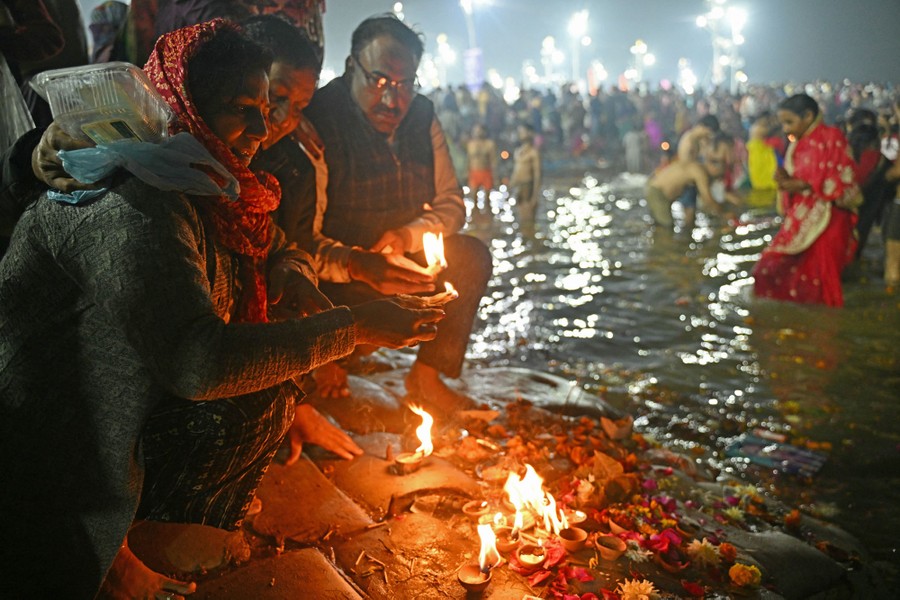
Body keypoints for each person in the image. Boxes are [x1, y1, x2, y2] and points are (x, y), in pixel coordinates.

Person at [0, 19, 443, 599]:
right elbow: (197, 363)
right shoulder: (135, 199)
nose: (265, 128)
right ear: (182, 103)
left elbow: (278, 245)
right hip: (45, 422)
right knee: (251, 390)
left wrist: (293, 274)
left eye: (270, 107)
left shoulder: (196, 174)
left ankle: (133, 537)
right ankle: (124, 544)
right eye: (243, 108)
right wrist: (354, 327)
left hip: (114, 390)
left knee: (274, 373)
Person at [299, 14, 493, 415]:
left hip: (404, 263)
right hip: (337, 282)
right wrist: (358, 264)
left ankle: (425, 378)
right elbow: (299, 242)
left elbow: (452, 204)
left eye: (405, 85)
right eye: (380, 81)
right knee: (301, 283)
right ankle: (322, 364)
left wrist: (407, 237)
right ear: (352, 66)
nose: (393, 101)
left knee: (471, 256)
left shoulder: (422, 116)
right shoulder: (316, 119)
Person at [752, 93, 861, 307]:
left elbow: (842, 176)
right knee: (769, 267)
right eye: (783, 123)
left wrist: (803, 185)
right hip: (803, 217)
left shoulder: (832, 137)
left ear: (808, 116)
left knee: (823, 279)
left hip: (830, 218)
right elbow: (801, 177)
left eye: (789, 122)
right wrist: (785, 179)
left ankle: (825, 330)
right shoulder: (798, 143)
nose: (785, 129)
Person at [645, 155, 729, 230]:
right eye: (719, 174)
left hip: (653, 187)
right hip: (658, 193)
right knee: (667, 227)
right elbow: (707, 198)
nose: (718, 178)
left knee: (658, 225)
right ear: (714, 167)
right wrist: (723, 214)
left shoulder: (694, 166)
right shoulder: (700, 172)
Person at [508, 122, 541, 233]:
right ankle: (526, 241)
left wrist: (535, 196)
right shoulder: (518, 151)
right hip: (518, 187)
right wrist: (510, 187)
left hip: (528, 186)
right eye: (519, 132)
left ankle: (531, 242)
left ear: (530, 133)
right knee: (521, 218)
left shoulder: (534, 152)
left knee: (529, 219)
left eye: (522, 132)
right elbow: (515, 171)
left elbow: (537, 175)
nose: (520, 134)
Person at [466, 121, 498, 210]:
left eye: (479, 130)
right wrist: (466, 173)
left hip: (486, 172)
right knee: (474, 199)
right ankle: (476, 220)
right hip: (474, 173)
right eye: (475, 130)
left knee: (487, 200)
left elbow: (493, 161)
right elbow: (468, 160)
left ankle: (488, 220)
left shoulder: (490, 144)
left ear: (484, 132)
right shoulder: (470, 144)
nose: (477, 132)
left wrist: (495, 177)